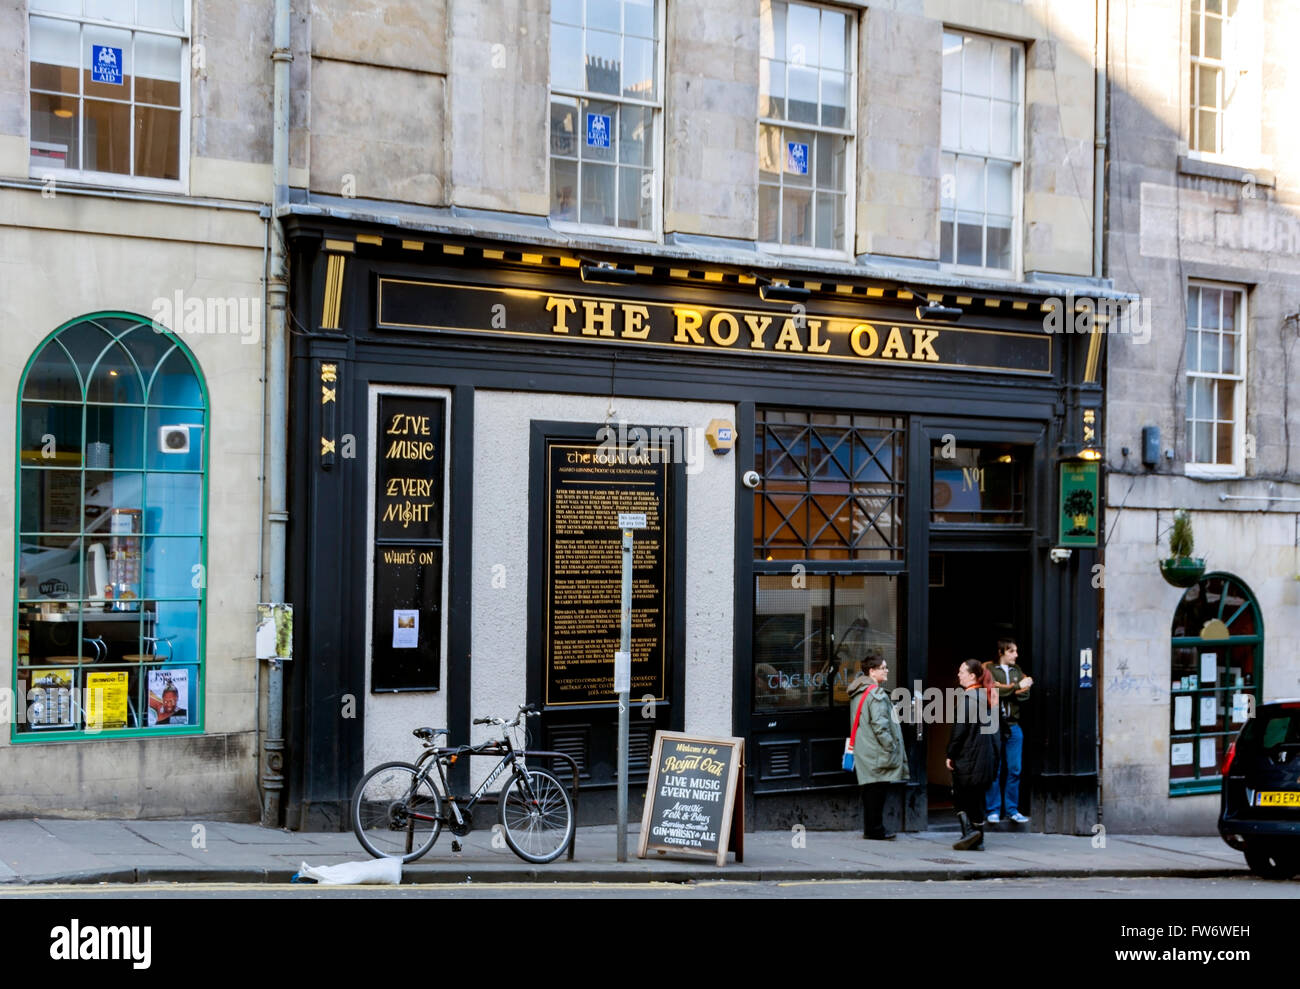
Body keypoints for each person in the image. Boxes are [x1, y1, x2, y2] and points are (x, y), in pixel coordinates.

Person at [847, 656, 908, 839]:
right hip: (876, 750)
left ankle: (872, 829)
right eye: (883, 667)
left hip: (864, 749)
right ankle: (875, 830)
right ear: (871, 671)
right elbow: (880, 725)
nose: (886, 670)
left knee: (870, 790)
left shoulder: (859, 692)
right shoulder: (877, 694)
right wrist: (891, 747)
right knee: (877, 792)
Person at [946, 659, 998, 850]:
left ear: (972, 676)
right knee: (976, 800)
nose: (958, 674)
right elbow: (998, 733)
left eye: (962, 671)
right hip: (986, 759)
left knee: (960, 797)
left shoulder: (968, 699)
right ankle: (978, 840)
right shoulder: (988, 698)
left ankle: (970, 835)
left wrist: (950, 754)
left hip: (968, 758)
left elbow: (959, 731)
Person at [984, 638, 1033, 824]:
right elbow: (992, 691)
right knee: (995, 769)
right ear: (1001, 652)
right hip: (995, 725)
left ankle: (1012, 809)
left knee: (1015, 769)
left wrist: (1009, 690)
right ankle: (993, 810)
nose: (1016, 655)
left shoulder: (1017, 671)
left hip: (1013, 725)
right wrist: (1016, 688)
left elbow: (1026, 694)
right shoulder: (989, 670)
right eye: (1012, 651)